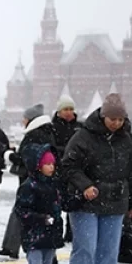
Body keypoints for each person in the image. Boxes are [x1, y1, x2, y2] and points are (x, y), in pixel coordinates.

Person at [62, 94, 132, 264]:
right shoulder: (83, 137)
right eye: (112, 119)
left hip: (116, 203)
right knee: (85, 249)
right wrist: (85, 185)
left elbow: (131, 174)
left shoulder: (125, 141)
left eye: (120, 119)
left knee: (108, 252)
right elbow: (68, 166)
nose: (116, 123)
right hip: (86, 203)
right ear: (103, 115)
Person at [0, 104, 52, 259]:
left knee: (21, 212)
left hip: (31, 180)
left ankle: (10, 247)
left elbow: (27, 158)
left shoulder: (33, 135)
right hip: (46, 181)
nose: (23, 121)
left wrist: (10, 156)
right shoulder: (49, 132)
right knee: (44, 213)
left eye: (25, 118)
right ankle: (48, 252)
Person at [13, 147, 63, 264]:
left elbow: (59, 206)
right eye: (47, 164)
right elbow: (21, 210)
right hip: (33, 234)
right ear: (39, 166)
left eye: (53, 164)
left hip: (50, 234)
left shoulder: (54, 185)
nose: (51, 167)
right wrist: (41, 218)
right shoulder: (29, 186)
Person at [50, 95, 80, 241]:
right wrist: (66, 151)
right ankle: (56, 233)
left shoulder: (80, 127)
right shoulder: (53, 128)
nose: (69, 112)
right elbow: (52, 147)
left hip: (74, 170)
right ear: (59, 111)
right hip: (57, 169)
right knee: (55, 202)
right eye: (66, 109)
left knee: (72, 203)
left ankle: (70, 233)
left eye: (71, 109)